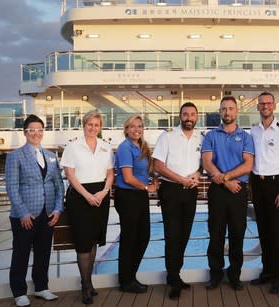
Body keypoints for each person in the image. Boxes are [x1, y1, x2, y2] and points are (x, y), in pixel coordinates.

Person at [5, 115, 64, 307]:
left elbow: (59, 186)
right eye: (32, 130)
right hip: (25, 216)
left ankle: (41, 287)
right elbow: (12, 187)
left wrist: (57, 209)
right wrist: (22, 212)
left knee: (43, 252)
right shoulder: (15, 156)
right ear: (25, 132)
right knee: (21, 253)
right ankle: (19, 292)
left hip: (47, 214)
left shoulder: (51, 156)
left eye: (39, 129)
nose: (36, 133)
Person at [60, 110, 114, 304]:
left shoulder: (106, 147)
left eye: (96, 125)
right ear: (84, 125)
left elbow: (110, 173)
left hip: (100, 196)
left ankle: (89, 283)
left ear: (100, 128)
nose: (93, 128)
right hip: (80, 198)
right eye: (89, 124)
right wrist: (87, 196)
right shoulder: (73, 147)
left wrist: (104, 191)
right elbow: (70, 175)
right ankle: (85, 285)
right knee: (83, 243)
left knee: (93, 242)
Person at [201, 96, 254, 290]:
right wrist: (225, 182)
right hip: (217, 191)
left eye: (231, 109)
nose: (227, 112)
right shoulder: (211, 136)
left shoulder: (246, 137)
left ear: (237, 111)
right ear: (220, 111)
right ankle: (215, 274)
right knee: (215, 233)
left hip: (238, 191)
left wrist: (227, 179)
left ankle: (234, 275)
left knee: (237, 234)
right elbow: (207, 162)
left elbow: (248, 164)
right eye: (224, 109)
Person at [152, 102, 203, 299]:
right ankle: (173, 279)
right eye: (185, 114)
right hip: (171, 191)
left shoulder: (201, 137)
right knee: (172, 235)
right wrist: (181, 179)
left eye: (192, 114)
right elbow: (158, 165)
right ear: (180, 116)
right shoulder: (167, 136)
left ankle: (175, 274)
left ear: (196, 117)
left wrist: (198, 174)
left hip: (191, 191)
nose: (189, 117)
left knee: (184, 235)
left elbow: (203, 165)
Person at [249, 92, 279, 294]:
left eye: (268, 103)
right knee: (264, 231)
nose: (265, 106)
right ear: (258, 107)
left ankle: (278, 277)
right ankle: (267, 271)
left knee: (277, 233)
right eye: (262, 104)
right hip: (257, 185)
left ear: (274, 106)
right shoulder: (253, 131)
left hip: (276, 184)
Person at [114, 115, 158, 294]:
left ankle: (131, 276)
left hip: (139, 196)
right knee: (129, 238)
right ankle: (125, 281)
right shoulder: (125, 148)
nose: (136, 129)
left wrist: (154, 181)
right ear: (126, 129)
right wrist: (147, 187)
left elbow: (146, 171)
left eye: (139, 126)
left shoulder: (142, 147)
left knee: (143, 236)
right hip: (127, 196)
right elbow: (128, 177)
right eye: (132, 126)